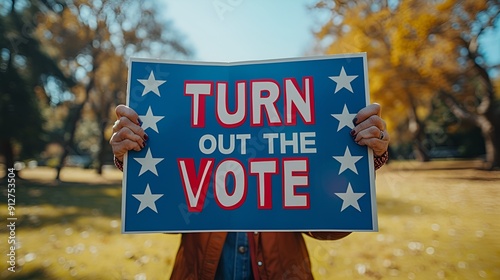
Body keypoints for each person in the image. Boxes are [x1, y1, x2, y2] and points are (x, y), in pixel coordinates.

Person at [110, 103, 390, 279]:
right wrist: (134, 158)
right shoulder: (198, 163)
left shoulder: (289, 168)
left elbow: (332, 229)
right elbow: (165, 217)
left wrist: (363, 159)